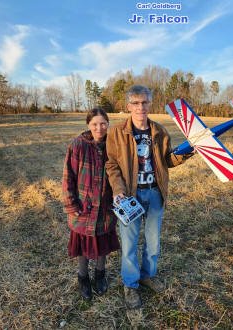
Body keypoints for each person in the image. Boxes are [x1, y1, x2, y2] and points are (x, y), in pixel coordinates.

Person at [106, 85, 193, 309]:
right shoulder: (117, 132)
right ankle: (130, 284)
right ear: (128, 106)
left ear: (149, 104)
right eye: (135, 103)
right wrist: (118, 189)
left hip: (155, 193)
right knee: (130, 243)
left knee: (153, 243)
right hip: (130, 196)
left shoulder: (160, 131)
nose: (140, 107)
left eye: (144, 102)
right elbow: (112, 164)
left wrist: (185, 154)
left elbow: (167, 161)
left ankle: (147, 275)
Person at [62, 108, 120, 301]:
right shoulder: (78, 145)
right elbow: (68, 176)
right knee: (84, 245)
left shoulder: (113, 145)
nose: (99, 128)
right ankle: (83, 277)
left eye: (103, 123)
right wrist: (71, 203)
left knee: (102, 243)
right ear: (88, 124)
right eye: (95, 124)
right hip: (84, 206)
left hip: (106, 206)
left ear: (108, 124)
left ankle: (100, 275)